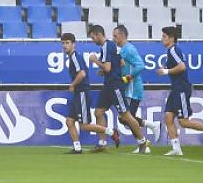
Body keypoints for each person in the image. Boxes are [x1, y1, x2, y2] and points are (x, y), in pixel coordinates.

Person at [157, 26, 203, 156]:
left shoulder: (174, 50)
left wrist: (166, 71)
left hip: (181, 88)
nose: (161, 39)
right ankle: (176, 149)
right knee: (168, 117)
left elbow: (182, 67)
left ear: (171, 38)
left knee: (184, 122)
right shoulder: (171, 51)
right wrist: (166, 67)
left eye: (164, 36)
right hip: (176, 88)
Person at [88, 25, 149, 153]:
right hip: (108, 85)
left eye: (93, 37)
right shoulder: (112, 46)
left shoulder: (106, 46)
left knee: (125, 115)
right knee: (98, 112)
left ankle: (142, 141)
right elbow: (120, 63)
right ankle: (102, 142)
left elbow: (108, 68)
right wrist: (106, 71)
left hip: (114, 86)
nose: (92, 40)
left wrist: (95, 61)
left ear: (98, 34)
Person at [60, 32, 119, 154]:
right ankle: (77, 148)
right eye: (63, 43)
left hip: (81, 93)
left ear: (73, 44)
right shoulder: (72, 57)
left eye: (67, 43)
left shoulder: (75, 57)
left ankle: (111, 132)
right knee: (69, 121)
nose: (65, 46)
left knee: (84, 126)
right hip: (78, 94)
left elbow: (82, 74)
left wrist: (73, 84)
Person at [113, 25, 161, 154]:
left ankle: (148, 132)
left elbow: (141, 65)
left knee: (126, 118)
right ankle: (146, 138)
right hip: (129, 88)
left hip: (133, 89)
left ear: (122, 35)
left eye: (115, 36)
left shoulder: (129, 49)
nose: (113, 38)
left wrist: (128, 77)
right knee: (127, 118)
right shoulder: (124, 49)